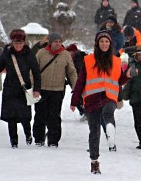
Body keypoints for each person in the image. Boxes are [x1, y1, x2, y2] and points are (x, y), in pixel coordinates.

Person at [70, 30, 129, 174]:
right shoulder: (88, 60)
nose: (104, 44)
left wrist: (127, 76)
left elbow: (119, 80)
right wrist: (74, 100)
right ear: (97, 43)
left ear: (111, 44)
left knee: (108, 111)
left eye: (107, 41)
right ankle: (94, 162)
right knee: (94, 132)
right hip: (91, 98)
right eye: (102, 41)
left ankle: (110, 133)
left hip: (109, 96)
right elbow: (81, 81)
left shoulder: (116, 60)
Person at [0, 29, 41, 148]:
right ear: (12, 43)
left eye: (20, 42)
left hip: (24, 89)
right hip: (10, 89)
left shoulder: (29, 54)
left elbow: (36, 72)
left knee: (25, 117)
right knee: (11, 117)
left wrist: (36, 89)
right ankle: (14, 142)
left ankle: (28, 134)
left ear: (24, 42)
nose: (18, 45)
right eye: (16, 43)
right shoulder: (7, 54)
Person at [33, 32, 77, 148]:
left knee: (54, 116)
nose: (58, 44)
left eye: (60, 41)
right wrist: (34, 86)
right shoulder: (41, 53)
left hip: (57, 90)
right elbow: (33, 70)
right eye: (55, 41)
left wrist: (75, 88)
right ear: (50, 42)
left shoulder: (66, 55)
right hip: (41, 89)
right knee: (40, 115)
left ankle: (53, 140)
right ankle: (39, 138)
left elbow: (71, 72)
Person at [66, 44, 88, 121]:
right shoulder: (76, 56)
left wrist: (78, 81)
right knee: (79, 98)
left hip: (79, 81)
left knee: (78, 98)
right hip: (78, 81)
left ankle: (85, 113)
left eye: (69, 52)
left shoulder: (77, 57)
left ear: (72, 51)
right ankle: (85, 113)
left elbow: (79, 69)